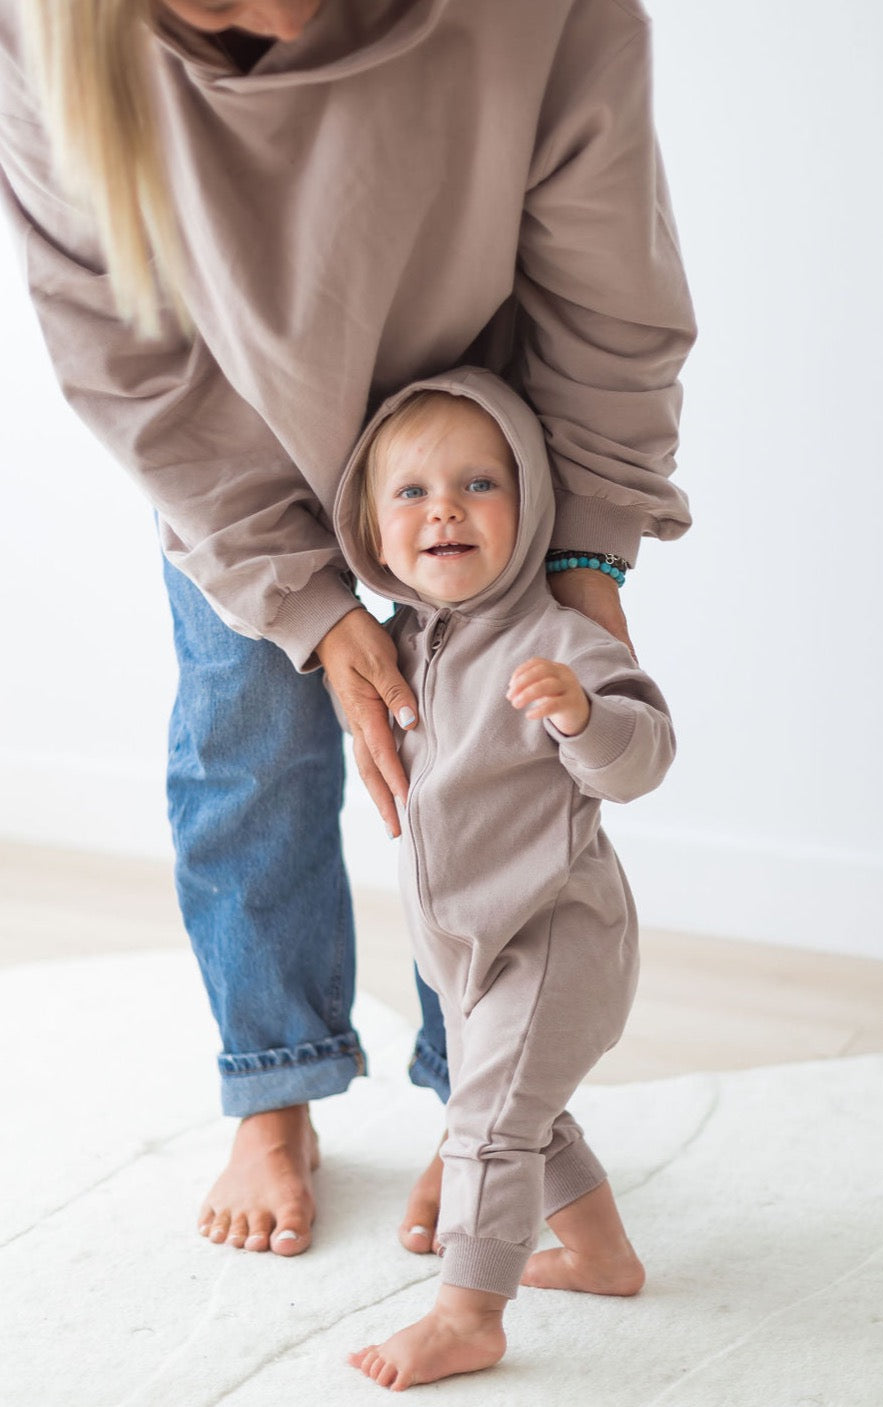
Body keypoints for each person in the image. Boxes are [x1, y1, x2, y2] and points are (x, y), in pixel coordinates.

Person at [0, 0, 695, 1257]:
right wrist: (306, 607)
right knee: (243, 755)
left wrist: (587, 550)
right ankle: (274, 1088)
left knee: (482, 782)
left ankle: (473, 1098)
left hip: (480, 444)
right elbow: (129, 362)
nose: (262, 22)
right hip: (238, 454)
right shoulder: (39, 41)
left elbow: (608, 299)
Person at [335, 366, 675, 1389]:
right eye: (411, 492)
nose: (444, 507)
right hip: (464, 949)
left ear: (528, 509)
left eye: (480, 485)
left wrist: (582, 715)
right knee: (523, 1110)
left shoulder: (558, 639)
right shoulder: (400, 645)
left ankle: (467, 1313)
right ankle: (603, 1255)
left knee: (486, 1122)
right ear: (373, 530)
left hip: (554, 933)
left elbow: (644, 755)